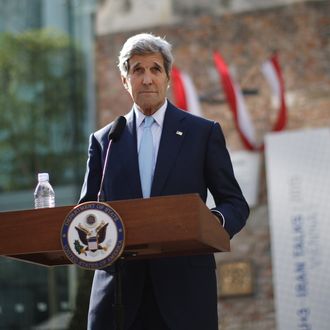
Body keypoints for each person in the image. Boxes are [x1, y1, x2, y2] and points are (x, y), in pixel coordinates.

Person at [79, 33, 249, 330]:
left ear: (168, 78)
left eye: (155, 69)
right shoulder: (105, 140)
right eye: (137, 70)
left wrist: (213, 223)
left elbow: (234, 203)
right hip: (118, 293)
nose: (147, 79)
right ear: (124, 80)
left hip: (184, 292)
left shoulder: (202, 133)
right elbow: (87, 211)